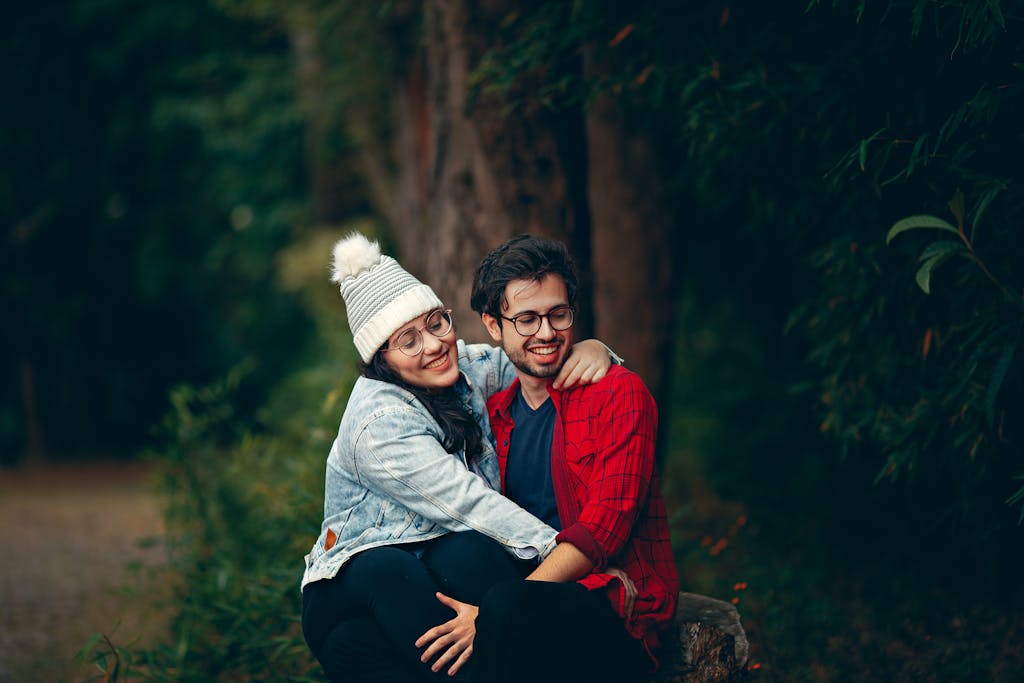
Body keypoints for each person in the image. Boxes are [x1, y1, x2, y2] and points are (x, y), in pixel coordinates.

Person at [300, 233, 618, 683]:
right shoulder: (379, 424)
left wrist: (591, 350)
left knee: (462, 555)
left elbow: (533, 361)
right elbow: (468, 502)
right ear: (381, 359)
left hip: (417, 574)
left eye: (436, 323)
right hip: (355, 585)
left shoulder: (465, 368)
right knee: (391, 571)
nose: (433, 345)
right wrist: (566, 557)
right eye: (408, 340)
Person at [416, 235, 679, 682]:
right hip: (524, 600)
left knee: (505, 606)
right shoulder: (495, 415)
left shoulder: (619, 394)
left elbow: (602, 531)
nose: (546, 333)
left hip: (614, 610)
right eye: (526, 319)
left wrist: (491, 614)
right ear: (493, 326)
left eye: (558, 314)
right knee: (448, 562)